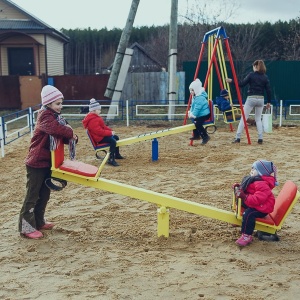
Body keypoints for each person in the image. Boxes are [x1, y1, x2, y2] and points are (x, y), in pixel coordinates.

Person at [19, 85, 78, 239]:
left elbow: (60, 135)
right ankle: (26, 228)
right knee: (32, 195)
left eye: (61, 103)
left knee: (44, 195)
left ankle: (39, 221)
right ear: (49, 104)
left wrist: (71, 137)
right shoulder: (45, 116)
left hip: (47, 162)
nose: (61, 106)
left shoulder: (55, 117)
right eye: (58, 104)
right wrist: (70, 131)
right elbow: (55, 129)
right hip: (36, 162)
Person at [233, 160, 278, 247]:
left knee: (248, 214)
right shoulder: (255, 180)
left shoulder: (262, 184)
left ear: (261, 173)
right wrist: (239, 187)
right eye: (252, 168)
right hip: (258, 204)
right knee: (241, 203)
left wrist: (244, 197)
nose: (251, 170)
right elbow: (249, 189)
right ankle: (240, 221)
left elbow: (257, 199)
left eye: (254, 169)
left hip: (262, 208)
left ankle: (247, 236)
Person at [226, 60, 272, 144]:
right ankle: (260, 138)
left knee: (244, 118)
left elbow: (241, 84)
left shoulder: (251, 75)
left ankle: (238, 137)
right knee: (258, 119)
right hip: (261, 99)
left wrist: (232, 81)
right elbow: (268, 90)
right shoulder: (265, 77)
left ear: (255, 67)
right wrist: (269, 102)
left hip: (251, 98)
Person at [82, 98, 124, 166]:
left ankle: (116, 155)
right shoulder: (93, 120)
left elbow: (103, 127)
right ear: (94, 110)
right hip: (99, 138)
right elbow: (99, 131)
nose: (100, 111)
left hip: (100, 136)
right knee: (113, 141)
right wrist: (110, 133)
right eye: (99, 110)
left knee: (116, 137)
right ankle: (111, 159)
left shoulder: (95, 118)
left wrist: (110, 130)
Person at [188, 78, 211, 145]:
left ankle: (205, 137)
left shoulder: (199, 98)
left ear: (196, 90)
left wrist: (193, 114)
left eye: (193, 90)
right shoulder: (195, 97)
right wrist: (191, 112)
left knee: (198, 123)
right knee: (195, 121)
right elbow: (193, 106)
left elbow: (197, 108)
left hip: (205, 114)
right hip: (201, 113)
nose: (191, 91)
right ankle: (196, 135)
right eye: (190, 90)